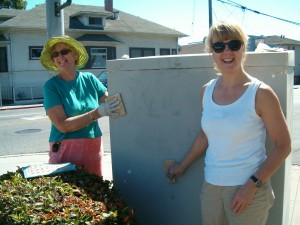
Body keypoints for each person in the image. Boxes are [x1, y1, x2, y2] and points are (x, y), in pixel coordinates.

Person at [167, 20, 291, 225]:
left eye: (234, 44)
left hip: (248, 190)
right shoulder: (207, 90)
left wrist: (252, 185)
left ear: (244, 47)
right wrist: (182, 165)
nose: (227, 51)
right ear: (212, 52)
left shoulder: (260, 93)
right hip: (211, 189)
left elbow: (283, 146)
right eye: (218, 46)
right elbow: (206, 135)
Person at [40, 35, 122, 176]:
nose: (60, 56)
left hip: (92, 144)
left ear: (75, 54)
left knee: (94, 190)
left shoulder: (89, 79)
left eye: (64, 51)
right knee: (68, 193)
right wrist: (98, 113)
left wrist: (122, 74)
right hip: (65, 147)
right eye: (55, 54)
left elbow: (113, 102)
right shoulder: (51, 86)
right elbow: (63, 125)